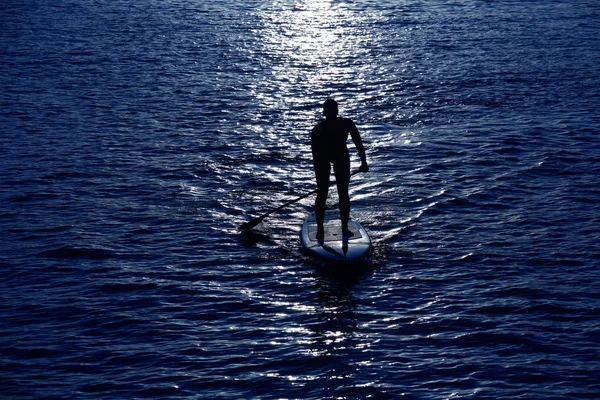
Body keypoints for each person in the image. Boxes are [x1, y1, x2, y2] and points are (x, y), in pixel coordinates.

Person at [311, 98, 368, 240]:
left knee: (341, 193)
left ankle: (342, 228)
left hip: (341, 157)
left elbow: (358, 143)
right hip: (324, 159)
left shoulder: (345, 124)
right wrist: (322, 177)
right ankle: (320, 230)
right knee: (324, 193)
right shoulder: (318, 130)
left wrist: (364, 162)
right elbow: (316, 155)